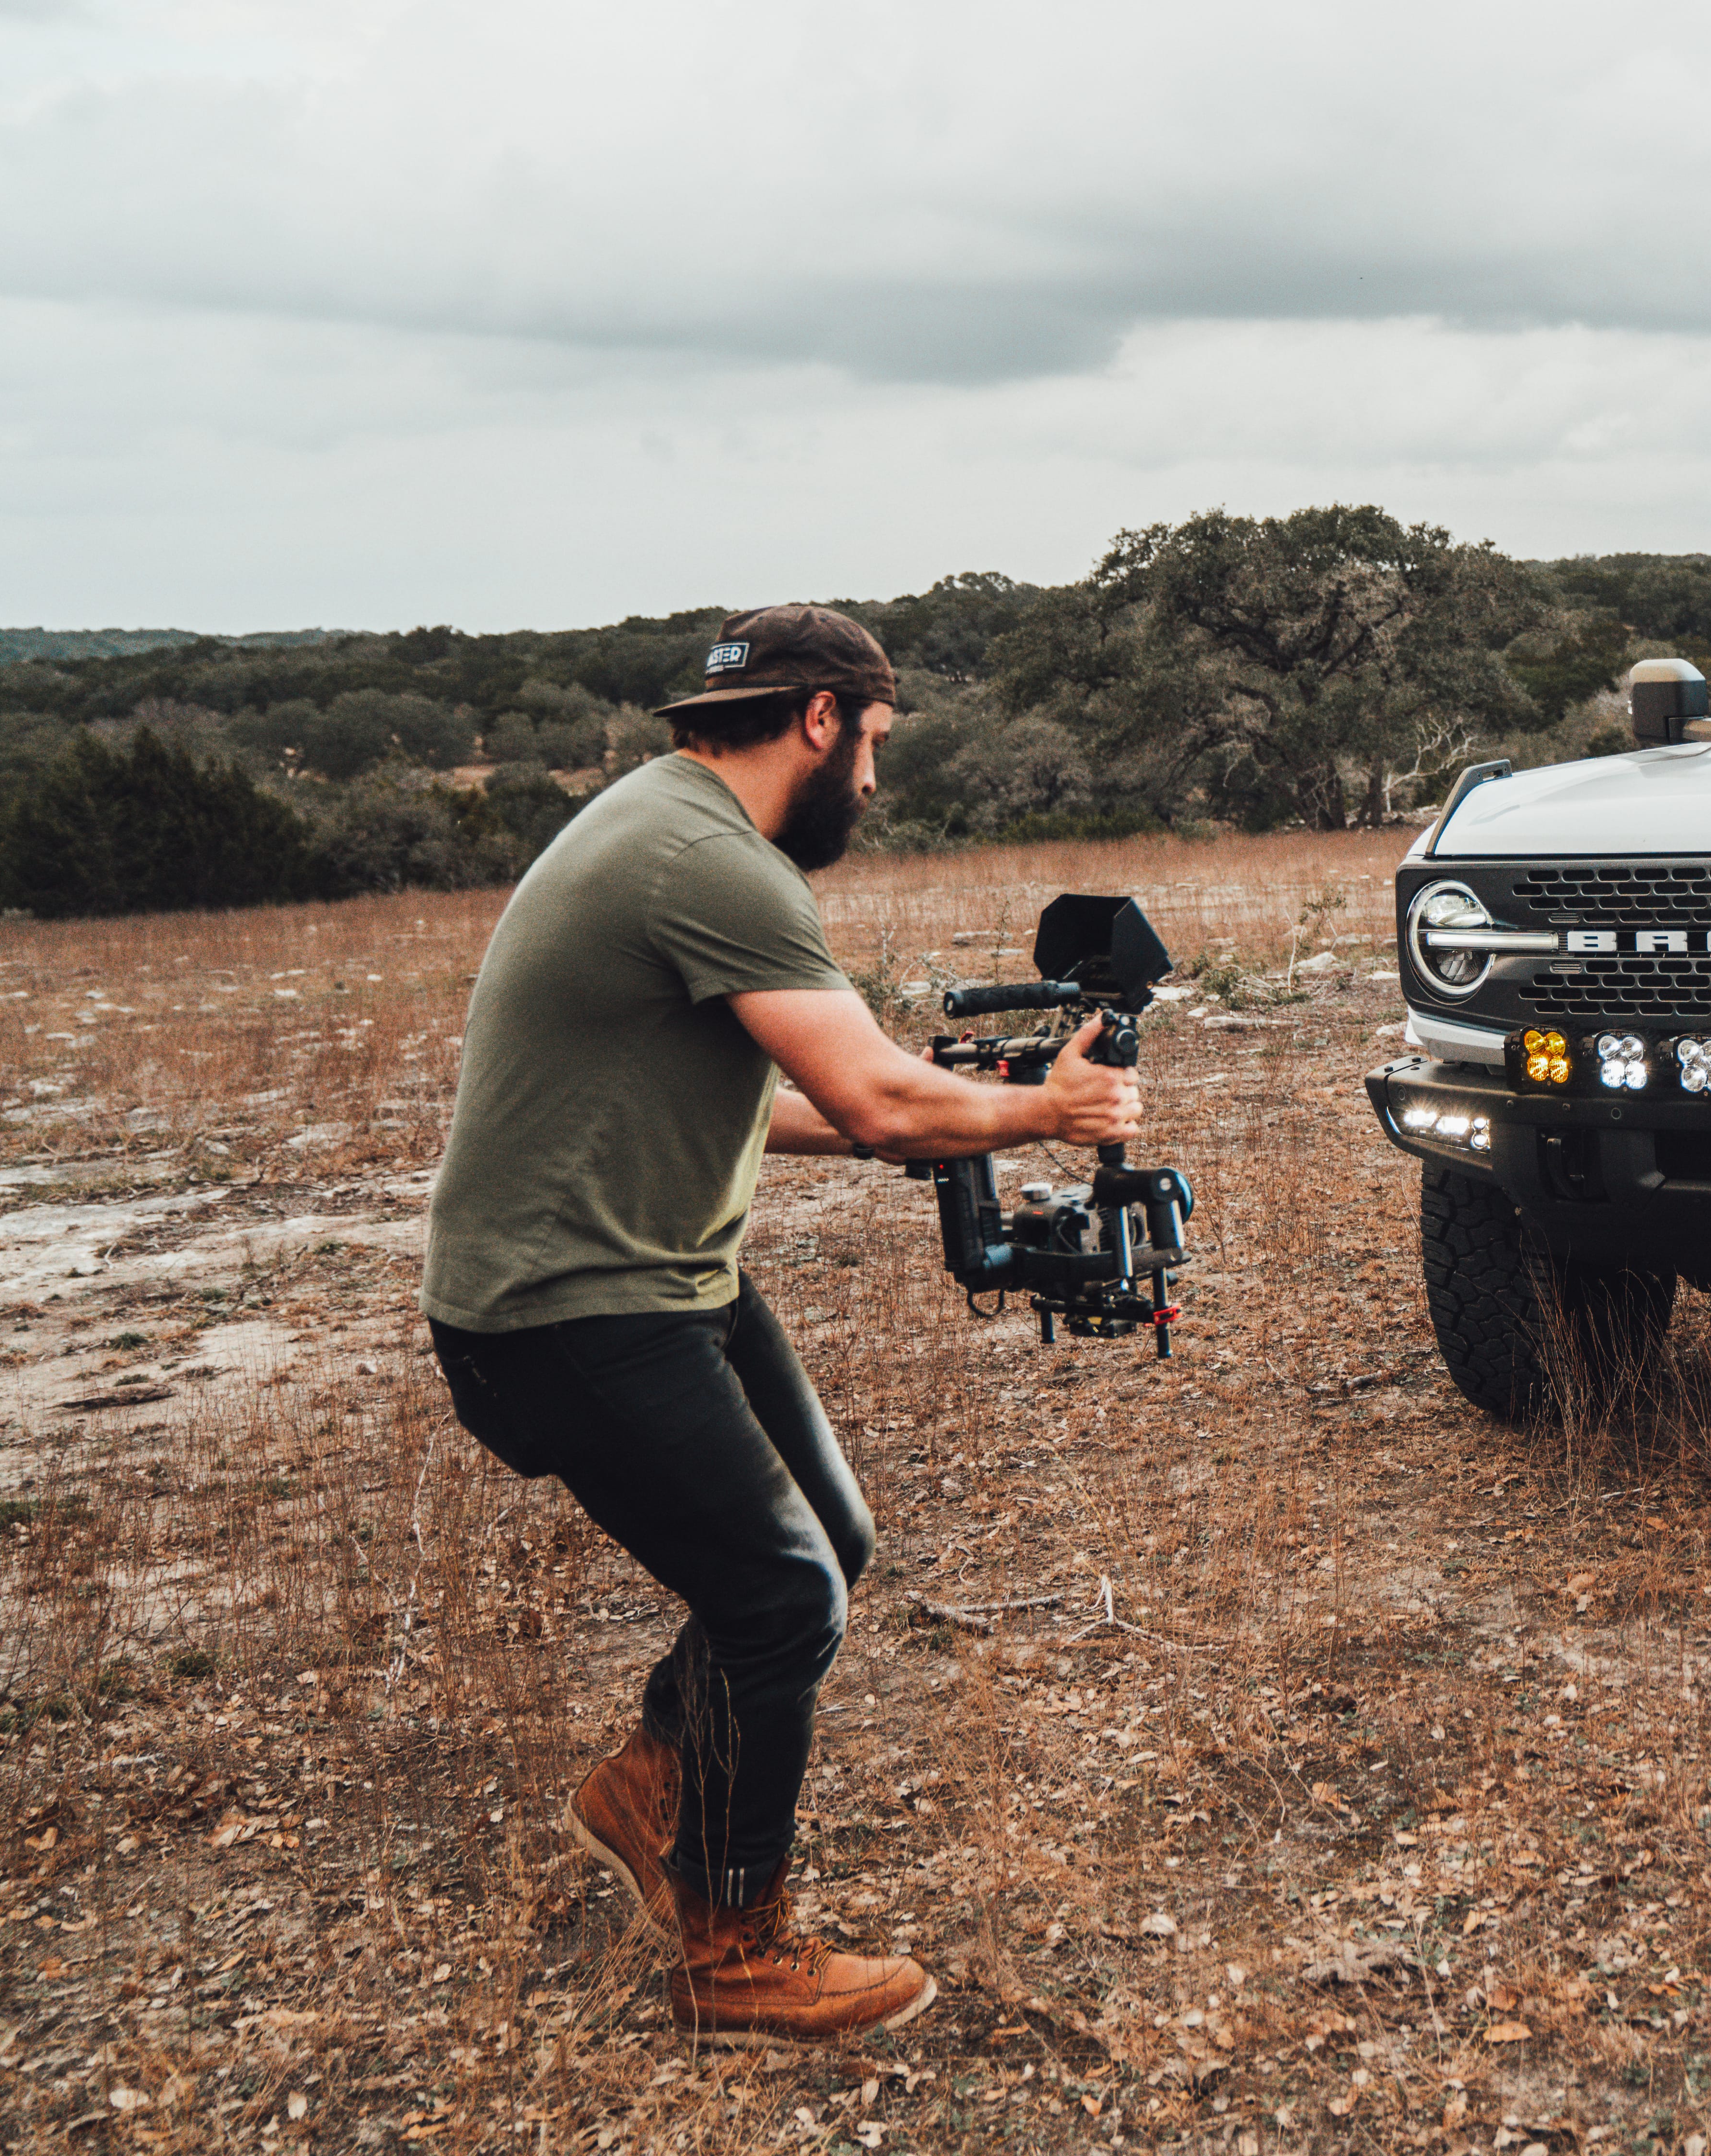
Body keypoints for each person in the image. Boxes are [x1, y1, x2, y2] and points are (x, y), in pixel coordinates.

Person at [419, 604, 1140, 2045]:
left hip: (649, 1276)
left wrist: (931, 1124)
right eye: (869, 745)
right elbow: (875, 1097)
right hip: (561, 1312)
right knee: (781, 1596)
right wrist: (1042, 1111)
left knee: (833, 1540)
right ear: (820, 720)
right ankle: (731, 1953)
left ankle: (650, 1781)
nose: (870, 782)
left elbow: (796, 1102)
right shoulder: (714, 862)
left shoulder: (663, 822)